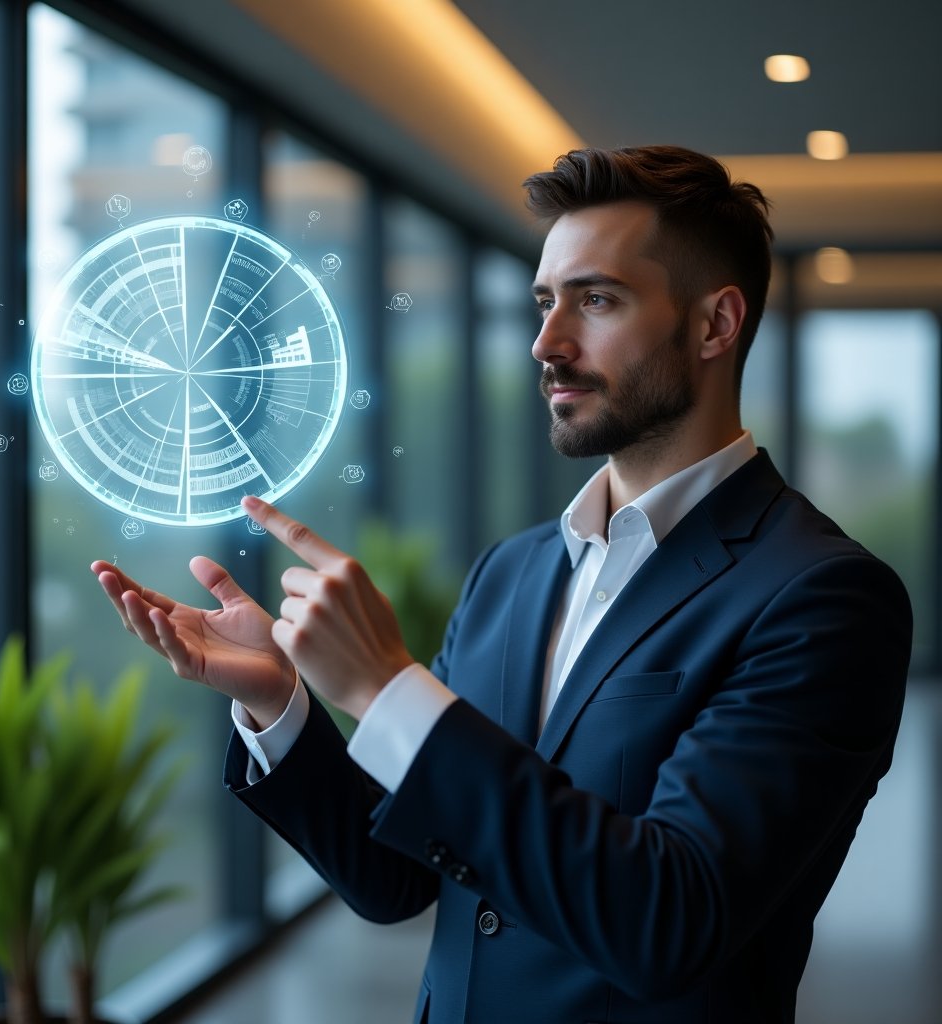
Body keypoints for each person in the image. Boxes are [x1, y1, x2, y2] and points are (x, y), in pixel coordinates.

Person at [92, 145, 912, 1023]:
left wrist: (382, 686)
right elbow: (398, 878)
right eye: (545, 302)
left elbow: (670, 921)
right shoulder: (510, 572)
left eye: (596, 300)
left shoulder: (825, 599)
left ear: (715, 325)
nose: (547, 343)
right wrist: (282, 706)